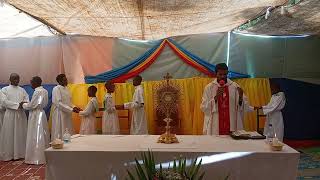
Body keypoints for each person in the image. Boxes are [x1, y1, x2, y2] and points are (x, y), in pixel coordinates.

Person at [201, 63, 248, 135]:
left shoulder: (235, 86)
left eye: (225, 74)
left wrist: (241, 97)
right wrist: (216, 98)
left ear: (227, 73)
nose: (223, 76)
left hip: (231, 123)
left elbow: (243, 107)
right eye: (220, 74)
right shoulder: (209, 87)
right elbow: (204, 107)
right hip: (215, 124)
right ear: (216, 74)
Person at [0, 73, 29, 161]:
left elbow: (27, 99)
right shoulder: (4, 90)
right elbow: (4, 102)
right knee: (9, 134)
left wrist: (24, 104)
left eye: (18, 79)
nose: (17, 80)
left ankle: (20, 153)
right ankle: (9, 154)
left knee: (21, 133)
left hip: (20, 114)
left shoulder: (22, 90)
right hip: (10, 114)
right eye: (15, 79)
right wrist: (17, 105)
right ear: (10, 79)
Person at [23, 76, 49, 164]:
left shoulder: (37, 91)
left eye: (32, 82)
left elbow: (32, 105)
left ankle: (36, 157)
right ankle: (44, 156)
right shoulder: (45, 91)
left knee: (35, 134)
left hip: (35, 115)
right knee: (42, 134)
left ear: (36, 82)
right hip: (42, 113)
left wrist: (24, 104)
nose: (30, 83)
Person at [51, 74, 81, 140]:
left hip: (67, 113)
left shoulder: (67, 89)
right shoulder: (56, 89)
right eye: (65, 80)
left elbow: (69, 102)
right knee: (60, 130)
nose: (66, 81)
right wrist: (71, 109)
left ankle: (68, 144)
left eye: (66, 79)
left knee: (68, 129)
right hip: (60, 114)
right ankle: (59, 144)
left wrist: (74, 107)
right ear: (59, 81)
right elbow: (58, 103)